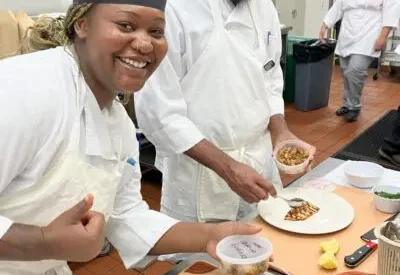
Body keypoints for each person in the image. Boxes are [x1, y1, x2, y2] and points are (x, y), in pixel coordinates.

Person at [0, 1, 265, 274]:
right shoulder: (24, 90)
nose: (145, 44)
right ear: (82, 24)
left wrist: (210, 236)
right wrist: (42, 243)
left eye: (156, 32)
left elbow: (125, 215)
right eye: (126, 25)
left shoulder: (118, 125)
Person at [134, 0, 316, 224]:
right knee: (200, 256)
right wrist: (229, 169)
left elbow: (269, 77)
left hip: (258, 162)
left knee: (263, 244)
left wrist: (281, 131)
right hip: (199, 173)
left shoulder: (264, 7)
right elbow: (159, 112)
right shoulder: (175, 9)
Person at [319, 0, 399, 122]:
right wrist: (325, 25)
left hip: (370, 34)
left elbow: (391, 10)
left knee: (355, 70)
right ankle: (347, 104)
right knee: (346, 71)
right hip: (347, 32)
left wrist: (383, 36)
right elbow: (338, 6)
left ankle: (354, 106)